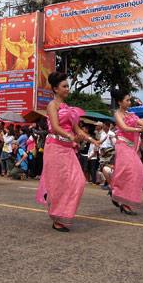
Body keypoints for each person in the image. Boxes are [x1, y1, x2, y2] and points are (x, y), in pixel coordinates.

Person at [36, 72, 95, 231]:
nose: (68, 89)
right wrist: (70, 136)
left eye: (68, 86)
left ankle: (61, 211)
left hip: (68, 149)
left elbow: (77, 129)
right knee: (58, 184)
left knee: (79, 181)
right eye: (64, 86)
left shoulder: (69, 108)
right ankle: (57, 217)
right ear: (55, 89)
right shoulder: (52, 105)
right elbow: (55, 127)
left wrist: (91, 140)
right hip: (55, 147)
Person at [110, 89, 143, 215]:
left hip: (131, 148)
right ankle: (121, 198)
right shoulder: (117, 114)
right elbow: (124, 128)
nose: (129, 102)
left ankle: (119, 195)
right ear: (120, 102)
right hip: (122, 145)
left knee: (137, 172)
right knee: (129, 172)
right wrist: (139, 130)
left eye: (130, 100)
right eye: (127, 100)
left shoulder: (131, 115)